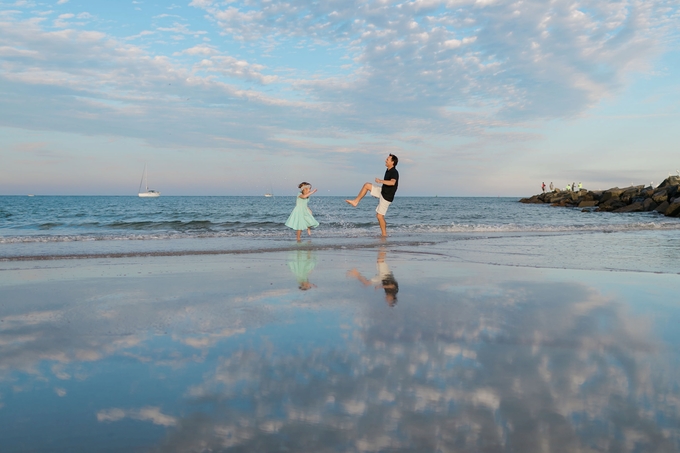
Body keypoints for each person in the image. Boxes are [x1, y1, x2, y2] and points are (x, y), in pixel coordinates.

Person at [345, 154, 399, 237]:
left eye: (387, 159)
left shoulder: (394, 172)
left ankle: (384, 235)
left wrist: (381, 181)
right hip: (382, 191)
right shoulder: (388, 170)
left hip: (387, 197)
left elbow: (392, 182)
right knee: (367, 185)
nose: (385, 160)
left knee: (379, 216)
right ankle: (355, 202)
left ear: (392, 162)